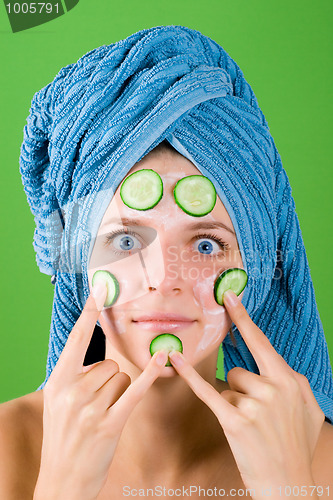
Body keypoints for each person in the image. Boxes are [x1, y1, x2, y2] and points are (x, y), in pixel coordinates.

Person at [1, 25, 332, 500]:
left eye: (205, 245)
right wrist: (63, 488)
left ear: (256, 270)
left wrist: (290, 488)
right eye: (126, 241)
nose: (165, 280)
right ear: (77, 266)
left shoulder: (318, 460)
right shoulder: (7, 450)